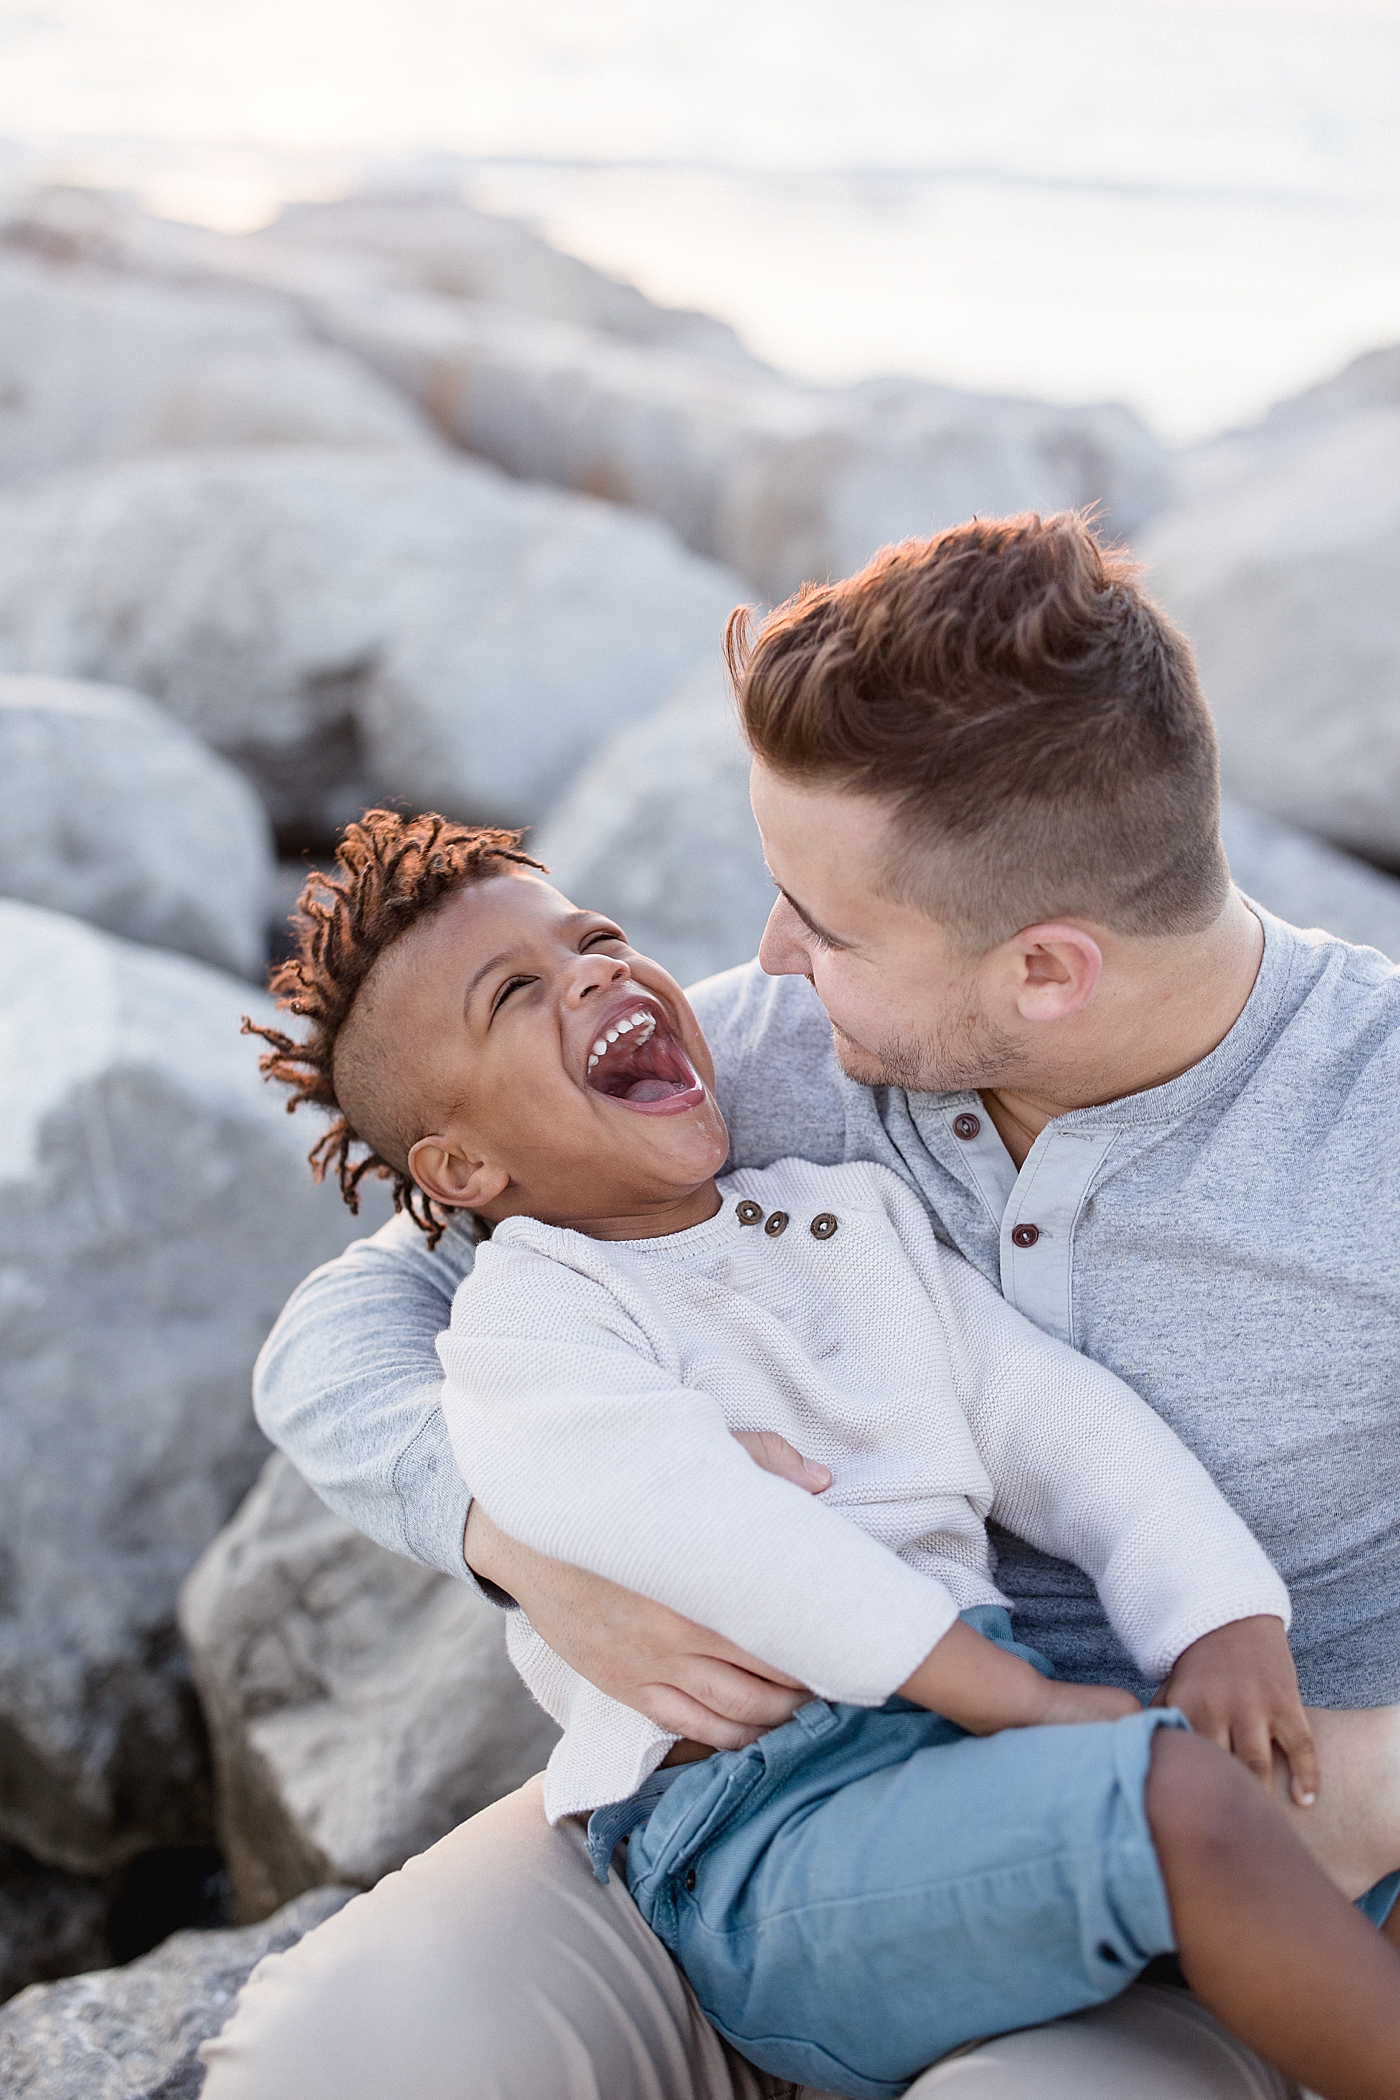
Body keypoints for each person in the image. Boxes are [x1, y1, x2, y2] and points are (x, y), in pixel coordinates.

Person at [202, 513, 1400, 2100]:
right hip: (748, 1794)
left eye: (822, 923)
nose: (764, 957)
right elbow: (345, 1332)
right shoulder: (747, 1062)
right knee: (345, 2063)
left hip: (1224, 1860)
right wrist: (524, 1543)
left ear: (1045, 971)